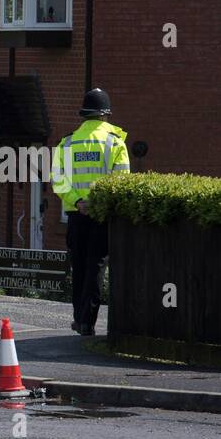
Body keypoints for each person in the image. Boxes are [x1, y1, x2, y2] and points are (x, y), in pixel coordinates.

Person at [50, 88, 130, 335]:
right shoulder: (115, 143)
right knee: (96, 266)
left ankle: (78, 317)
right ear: (105, 115)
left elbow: (57, 180)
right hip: (102, 215)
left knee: (80, 265)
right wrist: (97, 203)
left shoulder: (67, 142)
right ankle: (87, 321)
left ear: (84, 115)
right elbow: (121, 181)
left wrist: (78, 201)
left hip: (76, 215)